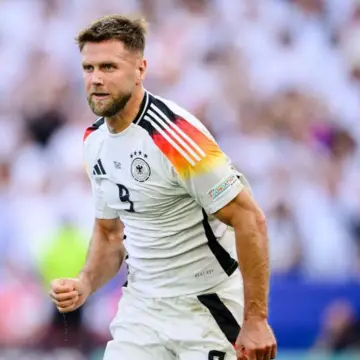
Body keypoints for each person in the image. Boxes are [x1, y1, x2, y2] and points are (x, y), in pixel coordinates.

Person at [49, 15, 277, 360]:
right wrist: (85, 283)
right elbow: (111, 236)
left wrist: (256, 319)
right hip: (142, 308)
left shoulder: (176, 138)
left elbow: (250, 219)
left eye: (109, 67)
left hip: (205, 305)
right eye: (88, 68)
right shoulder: (94, 141)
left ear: (140, 70)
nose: (95, 79)